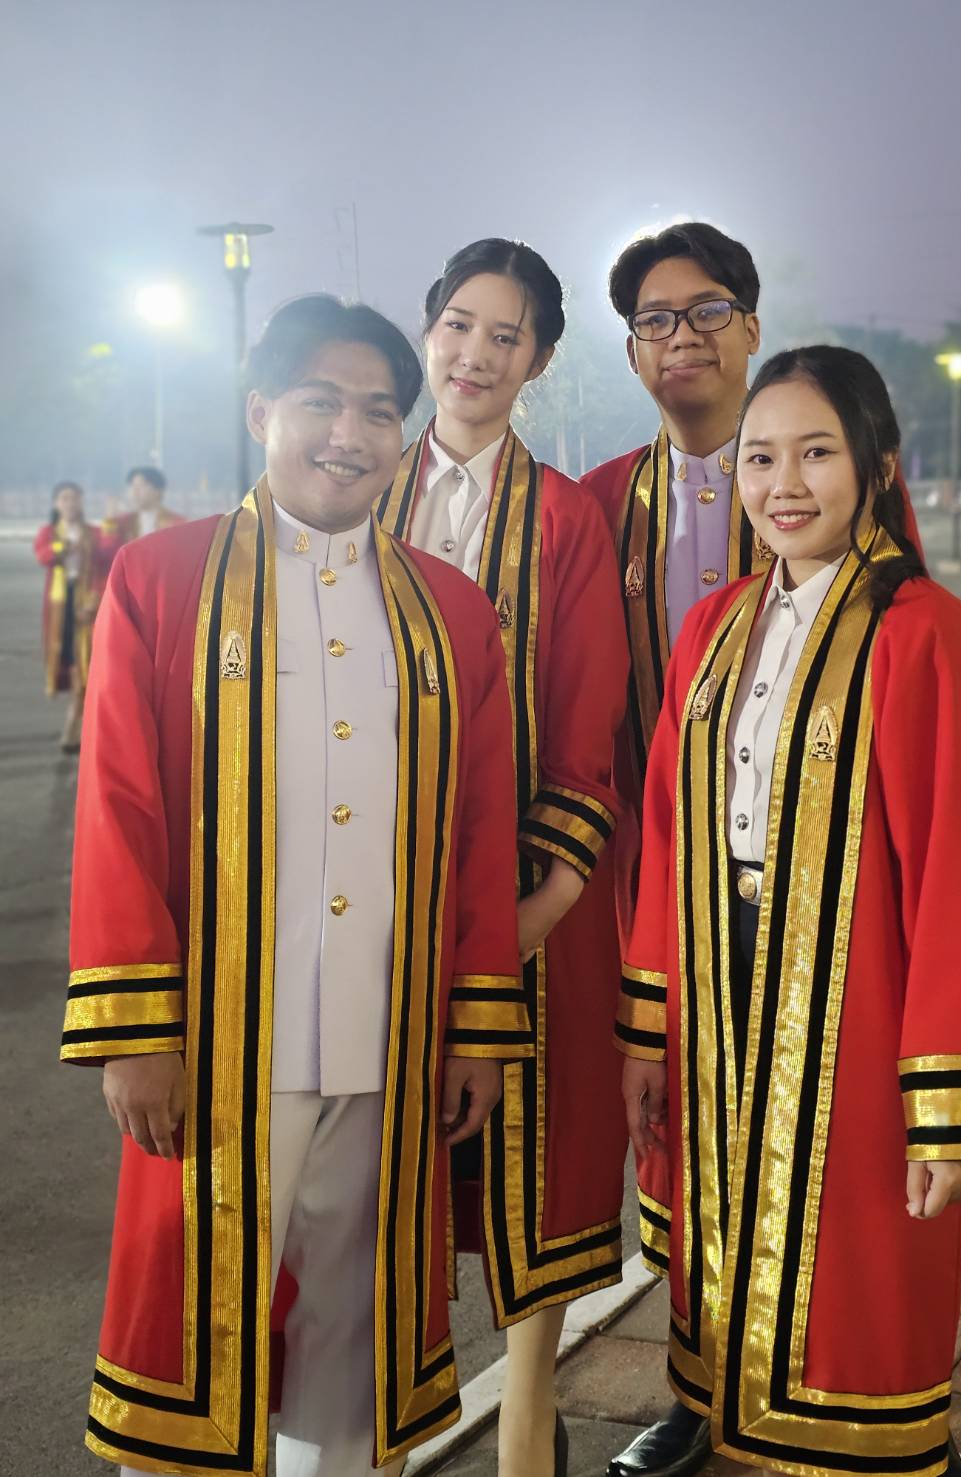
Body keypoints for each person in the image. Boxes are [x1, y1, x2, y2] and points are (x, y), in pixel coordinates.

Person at [60, 294, 532, 1477]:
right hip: (223, 1044)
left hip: (389, 1040)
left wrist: (477, 1027)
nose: (348, 434)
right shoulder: (162, 578)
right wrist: (135, 1032)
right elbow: (118, 808)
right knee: (190, 1334)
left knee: (351, 1342)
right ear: (261, 409)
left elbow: (480, 836)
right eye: (321, 401)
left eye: (377, 411)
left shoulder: (449, 610)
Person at [615, 345, 961, 1477]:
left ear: (877, 465)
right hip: (716, 968)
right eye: (759, 457)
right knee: (720, 1212)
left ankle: (886, 1438)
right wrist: (647, 1026)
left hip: (860, 985)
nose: (782, 484)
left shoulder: (927, 633)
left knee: (856, 1242)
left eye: (815, 453)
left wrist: (949, 1105)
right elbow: (667, 833)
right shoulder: (713, 629)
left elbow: (952, 874)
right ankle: (709, 1400)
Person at [373, 239, 629, 1477]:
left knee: (532, 1161)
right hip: (365, 898)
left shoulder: (566, 518)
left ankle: (527, 1407)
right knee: (372, 1169)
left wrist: (522, 920)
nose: (475, 354)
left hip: (524, 904)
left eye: (506, 335)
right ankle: (373, 1400)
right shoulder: (359, 483)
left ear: (540, 360)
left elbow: (587, 736)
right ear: (427, 333)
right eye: (458, 326)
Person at [580, 222, 766, 1477]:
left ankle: (863, 1384)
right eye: (654, 319)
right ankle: (697, 1387)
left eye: (705, 310)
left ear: (750, 325)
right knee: (678, 1140)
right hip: (655, 893)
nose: (680, 336)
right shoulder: (602, 503)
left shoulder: (824, 468)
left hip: (805, 880)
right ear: (632, 350)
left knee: (829, 1131)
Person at [33, 480, 112, 751]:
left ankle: (72, 730)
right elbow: (43, 555)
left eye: (75, 498)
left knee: (86, 664)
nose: (70, 503)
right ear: (56, 504)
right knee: (70, 661)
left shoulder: (93, 532)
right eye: (65, 498)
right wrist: (62, 547)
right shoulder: (49, 532)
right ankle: (78, 727)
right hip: (60, 606)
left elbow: (107, 558)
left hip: (87, 604)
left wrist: (95, 599)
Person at [103, 465, 184, 547]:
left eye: (140, 486)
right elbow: (109, 549)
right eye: (132, 486)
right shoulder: (126, 522)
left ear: (158, 491)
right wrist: (110, 519)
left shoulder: (176, 523)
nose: (134, 492)